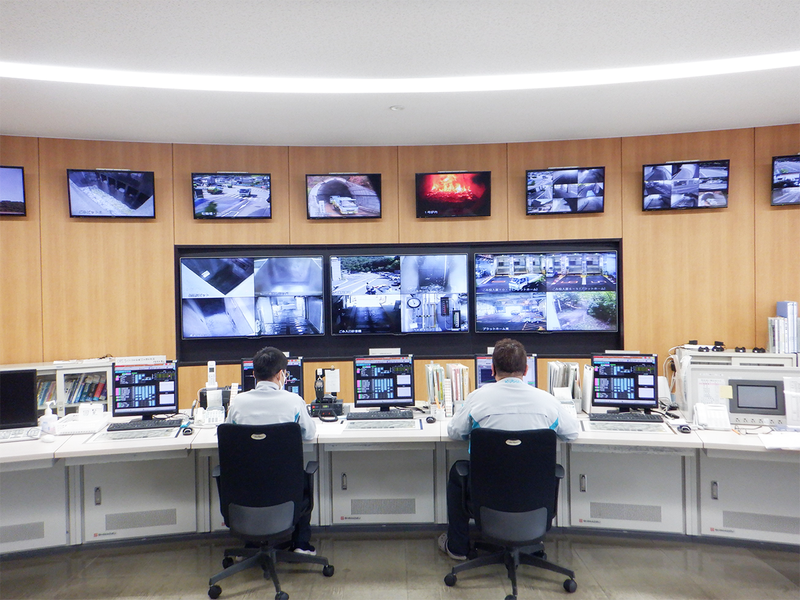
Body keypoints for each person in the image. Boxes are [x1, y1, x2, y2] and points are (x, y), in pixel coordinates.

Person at [438, 338, 581, 561]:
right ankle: (530, 540)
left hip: (487, 494)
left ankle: (457, 547)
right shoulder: (548, 401)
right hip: (534, 495)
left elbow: (455, 432)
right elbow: (572, 433)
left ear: (492, 369)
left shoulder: (477, 398)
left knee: (459, 470)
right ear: (526, 370)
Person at [226, 346, 318, 554]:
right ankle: (300, 544)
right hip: (285, 488)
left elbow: (226, 432)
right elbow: (309, 434)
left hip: (245, 488)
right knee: (301, 478)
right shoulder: (293, 401)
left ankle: (251, 545)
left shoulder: (238, 403)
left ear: (253, 374)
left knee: (251, 477)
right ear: (280, 374)